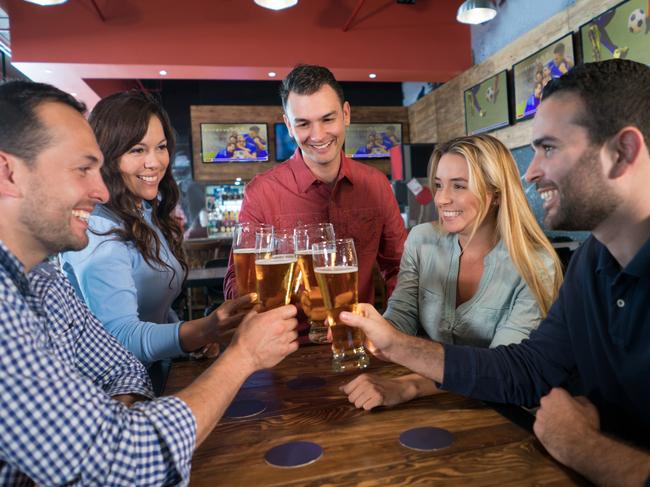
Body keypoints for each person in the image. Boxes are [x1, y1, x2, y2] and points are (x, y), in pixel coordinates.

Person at [338, 60, 650, 486]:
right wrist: (394, 344)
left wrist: (583, 447)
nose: (531, 170)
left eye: (549, 148)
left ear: (624, 153)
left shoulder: (545, 262)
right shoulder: (592, 261)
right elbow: (526, 370)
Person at [0, 80, 299, 484]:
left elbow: (121, 365)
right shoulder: (16, 298)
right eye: (82, 168)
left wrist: (125, 411)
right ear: (8, 173)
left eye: (160, 147)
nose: (100, 189)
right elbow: (125, 461)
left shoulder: (44, 280)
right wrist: (241, 355)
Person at [343, 134, 562, 410]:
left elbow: (503, 370)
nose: (442, 199)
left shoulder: (536, 264)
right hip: (440, 408)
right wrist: (369, 330)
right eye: (438, 185)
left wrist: (410, 385)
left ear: (495, 194)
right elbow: (401, 315)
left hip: (504, 413)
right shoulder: (421, 240)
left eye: (458, 186)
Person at [59, 91, 246, 393]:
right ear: (106, 154)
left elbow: (153, 312)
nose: (154, 162)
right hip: (111, 395)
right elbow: (119, 338)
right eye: (136, 149)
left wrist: (188, 342)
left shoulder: (143, 212)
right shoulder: (98, 231)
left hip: (150, 377)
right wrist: (199, 331)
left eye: (161, 147)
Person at [223, 64, 407, 316]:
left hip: (355, 338)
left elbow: (400, 268)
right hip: (283, 343)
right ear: (288, 125)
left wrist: (394, 323)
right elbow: (236, 283)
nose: (318, 135)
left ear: (346, 114)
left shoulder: (376, 185)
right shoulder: (261, 193)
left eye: (328, 119)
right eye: (303, 124)